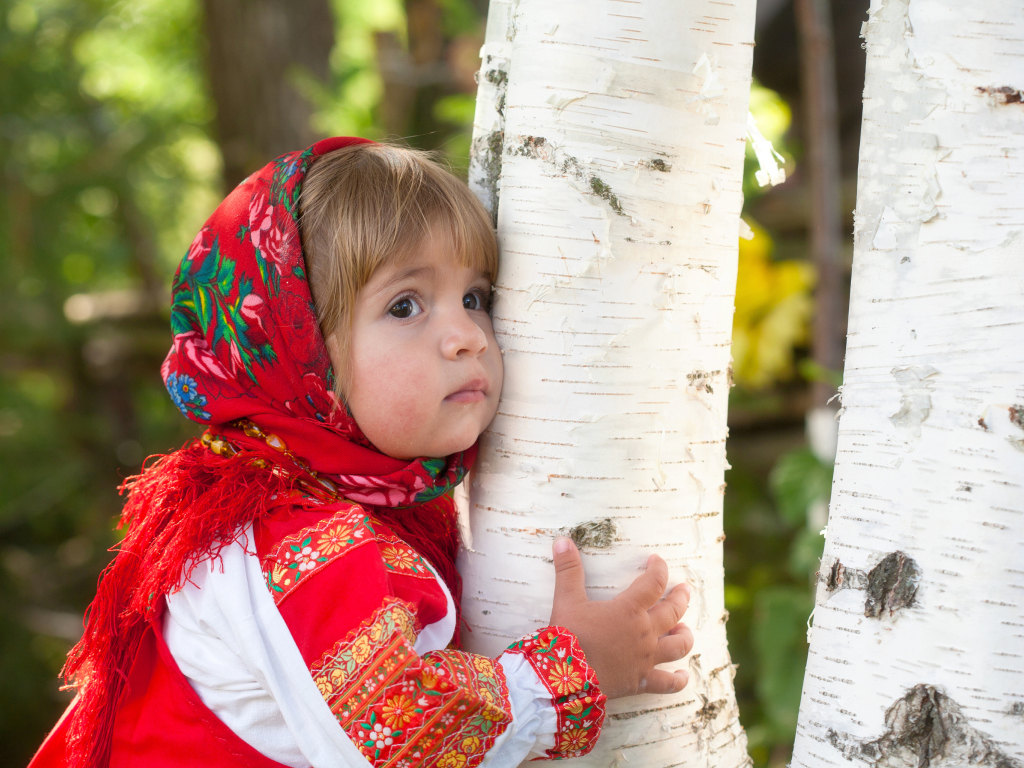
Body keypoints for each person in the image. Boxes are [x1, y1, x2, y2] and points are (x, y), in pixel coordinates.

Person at [29, 137, 694, 768]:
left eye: (475, 298)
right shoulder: (281, 537)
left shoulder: (366, 502)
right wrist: (575, 668)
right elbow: (397, 738)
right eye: (405, 306)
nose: (466, 335)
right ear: (302, 355)